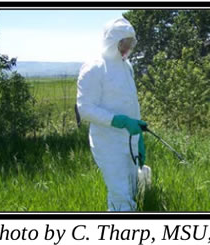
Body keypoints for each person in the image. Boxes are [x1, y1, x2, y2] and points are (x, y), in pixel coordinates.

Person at [76, 18, 146, 211]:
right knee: (120, 194)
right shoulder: (94, 67)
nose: (128, 48)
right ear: (112, 41)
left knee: (132, 189)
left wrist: (138, 136)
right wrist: (119, 121)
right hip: (107, 142)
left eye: (131, 43)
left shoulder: (127, 66)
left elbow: (131, 102)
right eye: (124, 43)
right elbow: (84, 108)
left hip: (129, 139)